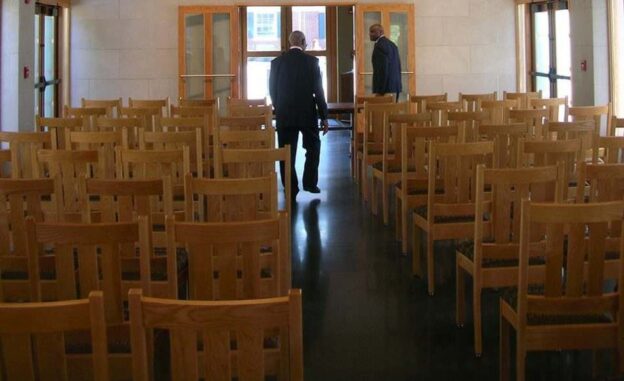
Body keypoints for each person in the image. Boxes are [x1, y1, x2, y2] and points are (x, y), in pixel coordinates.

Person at [269, 31, 329, 202]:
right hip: (307, 113)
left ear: (289, 42)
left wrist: (278, 106)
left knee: (286, 152)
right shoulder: (312, 62)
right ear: (303, 42)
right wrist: (324, 116)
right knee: (313, 147)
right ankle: (310, 183)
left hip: (285, 114)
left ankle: (290, 187)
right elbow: (319, 91)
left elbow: (272, 90)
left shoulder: (277, 62)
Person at [369, 24, 402, 100]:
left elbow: (383, 69)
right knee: (393, 111)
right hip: (395, 86)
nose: (370, 34)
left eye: (372, 31)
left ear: (380, 32)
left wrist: (380, 91)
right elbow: (398, 66)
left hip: (385, 89)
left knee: (380, 111)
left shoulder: (379, 46)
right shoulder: (392, 44)